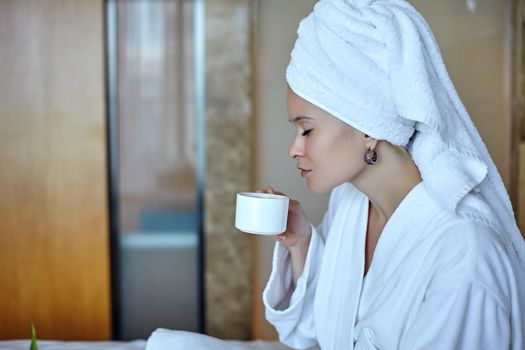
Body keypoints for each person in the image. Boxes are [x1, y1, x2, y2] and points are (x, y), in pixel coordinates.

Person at [260, 0, 525, 349]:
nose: (295, 149)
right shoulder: (350, 204)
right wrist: (302, 242)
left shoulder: (463, 252)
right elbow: (317, 334)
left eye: (306, 130)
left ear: (369, 127)